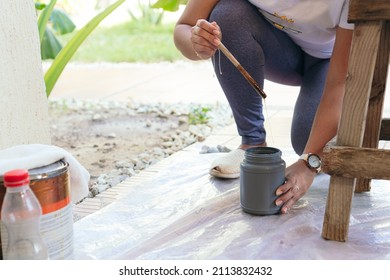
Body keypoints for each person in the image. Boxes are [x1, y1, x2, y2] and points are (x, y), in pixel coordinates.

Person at [174, 0, 354, 214]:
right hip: (281, 51)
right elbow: (183, 27)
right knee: (228, 15)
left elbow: (340, 82)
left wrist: (309, 163)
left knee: (309, 144)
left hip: (330, 60)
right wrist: (197, 44)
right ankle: (252, 142)